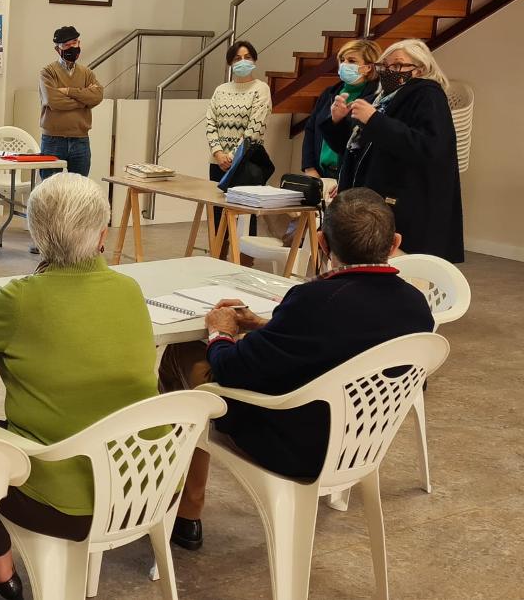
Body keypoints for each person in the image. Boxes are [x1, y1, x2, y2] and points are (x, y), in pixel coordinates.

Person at [159, 188, 435, 551]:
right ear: (395, 242)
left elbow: (231, 369)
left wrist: (219, 332)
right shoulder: (416, 306)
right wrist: (263, 327)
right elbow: (338, 343)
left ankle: (186, 512)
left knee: (183, 357)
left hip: (291, 443)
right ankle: (184, 511)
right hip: (360, 445)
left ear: (321, 242)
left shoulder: (315, 302)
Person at [0, 173, 159, 600]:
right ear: (102, 235)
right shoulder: (130, 289)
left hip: (64, 503)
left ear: (36, 234)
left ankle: (1, 571)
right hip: (144, 488)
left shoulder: (20, 299)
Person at [321, 38, 464, 263]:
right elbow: (353, 150)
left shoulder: (428, 94)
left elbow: (428, 147)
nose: (389, 71)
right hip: (368, 199)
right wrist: (337, 122)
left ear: (420, 69)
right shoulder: (379, 100)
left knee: (398, 269)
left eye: (397, 65)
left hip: (405, 202)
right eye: (384, 66)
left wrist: (375, 120)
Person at [301, 40, 381, 180]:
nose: (344, 64)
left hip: (349, 177)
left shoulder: (376, 97)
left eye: (351, 60)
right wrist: (310, 169)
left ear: (368, 67)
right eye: (342, 60)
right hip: (319, 174)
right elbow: (310, 129)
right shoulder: (330, 93)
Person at [38, 26, 104, 180]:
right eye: (66, 45)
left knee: (79, 189)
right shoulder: (47, 72)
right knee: (50, 190)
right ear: (57, 48)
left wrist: (68, 91)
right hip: (53, 140)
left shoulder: (87, 73)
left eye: (74, 43)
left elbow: (98, 96)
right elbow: (53, 101)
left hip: (80, 139)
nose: (72, 48)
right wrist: (84, 100)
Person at [206, 40, 272, 182]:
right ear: (230, 63)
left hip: (247, 164)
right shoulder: (220, 90)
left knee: (240, 204)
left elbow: (255, 129)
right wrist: (218, 154)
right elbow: (210, 123)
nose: (243, 61)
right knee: (215, 204)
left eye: (247, 57)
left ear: (254, 60)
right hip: (217, 163)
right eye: (237, 58)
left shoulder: (261, 89)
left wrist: (230, 158)